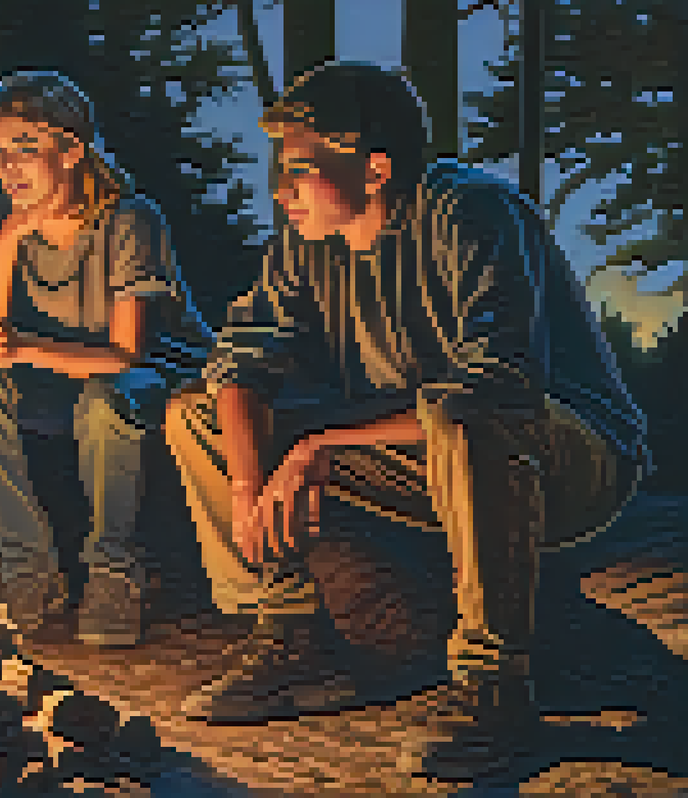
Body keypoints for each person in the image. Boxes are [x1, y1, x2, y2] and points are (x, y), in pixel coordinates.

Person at [164, 63, 649, 778]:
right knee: (199, 414)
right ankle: (294, 635)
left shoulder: (473, 212)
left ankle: (495, 690)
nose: (280, 191)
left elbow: (498, 384)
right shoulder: (305, 244)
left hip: (567, 458)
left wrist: (319, 445)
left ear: (375, 167)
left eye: (300, 171)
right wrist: (245, 486)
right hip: (422, 453)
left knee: (466, 417)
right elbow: (240, 361)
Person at [0, 71, 212, 647]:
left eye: (25, 149)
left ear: (70, 150)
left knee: (104, 399)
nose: (7, 167)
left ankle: (114, 572)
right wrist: (11, 237)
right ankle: (29, 572)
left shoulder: (128, 220)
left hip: (154, 373)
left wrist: (20, 348)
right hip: (50, 372)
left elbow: (126, 354)